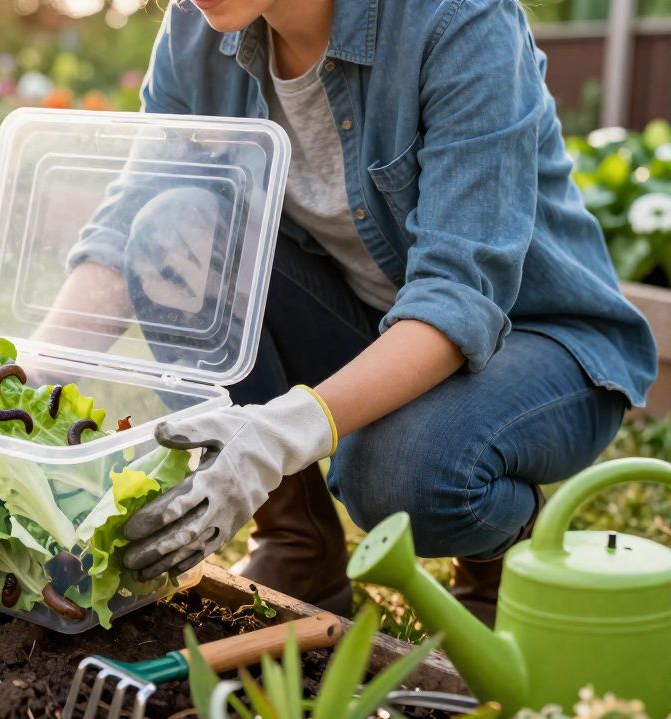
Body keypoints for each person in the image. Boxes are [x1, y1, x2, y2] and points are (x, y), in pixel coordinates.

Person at [47, 0, 657, 622]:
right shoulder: (194, 33)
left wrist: (275, 435)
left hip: (538, 338)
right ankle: (299, 546)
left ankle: (504, 554)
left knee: (395, 475)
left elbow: (458, 296)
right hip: (370, 320)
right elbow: (127, 229)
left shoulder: (459, 20)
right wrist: (25, 380)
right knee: (168, 232)